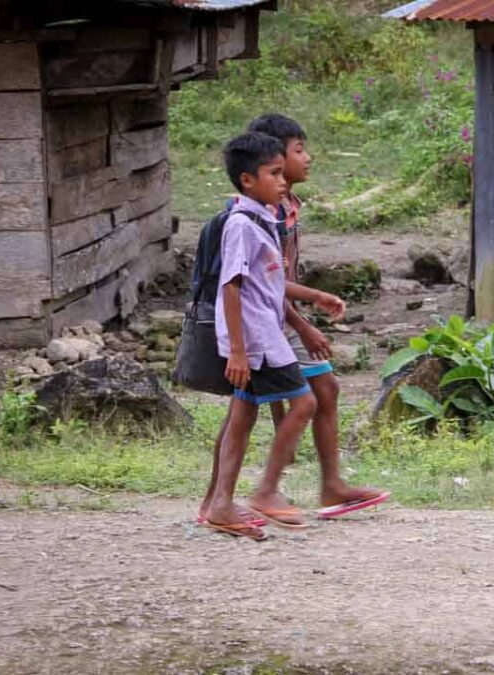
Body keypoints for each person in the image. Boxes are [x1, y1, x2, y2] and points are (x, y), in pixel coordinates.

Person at [246, 113, 388, 517]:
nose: (308, 158)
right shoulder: (265, 213)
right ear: (274, 157)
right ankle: (256, 494)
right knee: (280, 404)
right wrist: (304, 323)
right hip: (269, 319)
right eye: (299, 150)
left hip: (279, 316)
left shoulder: (286, 204)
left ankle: (328, 486)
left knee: (320, 392)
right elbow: (265, 282)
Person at [202, 132, 317, 540]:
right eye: (273, 174)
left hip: (260, 335)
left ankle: (219, 504)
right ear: (248, 180)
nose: (283, 181)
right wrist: (237, 350)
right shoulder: (240, 226)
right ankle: (266, 491)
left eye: (282, 174)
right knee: (304, 403)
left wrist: (313, 304)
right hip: (257, 341)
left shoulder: (261, 219)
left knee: (243, 415)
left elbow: (268, 284)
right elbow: (229, 287)